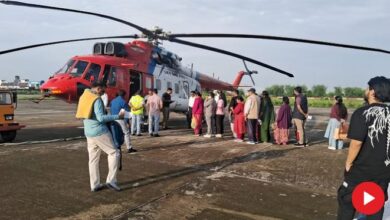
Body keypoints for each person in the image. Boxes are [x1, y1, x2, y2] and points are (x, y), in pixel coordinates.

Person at [337, 76, 390, 220]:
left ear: (373, 92)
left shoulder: (362, 113)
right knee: (375, 205)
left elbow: (356, 143)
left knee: (347, 200)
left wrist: (348, 162)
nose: (365, 90)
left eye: (368, 87)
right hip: (383, 172)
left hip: (361, 170)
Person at [75, 81, 124, 192]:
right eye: (103, 89)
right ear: (98, 88)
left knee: (93, 159)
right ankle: (111, 180)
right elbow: (101, 118)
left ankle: (94, 184)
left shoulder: (85, 96)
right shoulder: (96, 99)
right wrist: (118, 116)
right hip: (99, 131)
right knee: (114, 153)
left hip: (88, 131)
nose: (104, 92)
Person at [110, 90, 137, 154]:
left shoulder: (112, 101)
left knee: (115, 133)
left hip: (113, 118)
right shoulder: (123, 102)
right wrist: (127, 122)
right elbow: (126, 113)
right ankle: (129, 147)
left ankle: (116, 146)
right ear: (124, 95)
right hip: (120, 119)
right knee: (126, 133)